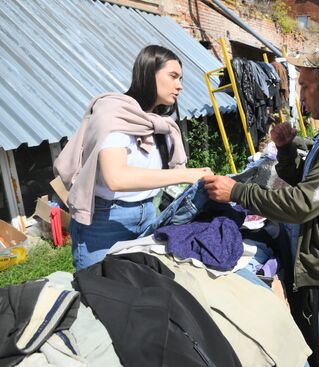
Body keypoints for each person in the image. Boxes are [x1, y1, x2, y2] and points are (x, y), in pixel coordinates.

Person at [203, 45, 319, 367]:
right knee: (310, 352)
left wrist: (237, 191)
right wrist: (287, 151)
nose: (299, 95)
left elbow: (306, 203)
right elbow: (314, 186)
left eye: (304, 86)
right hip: (317, 267)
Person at [54, 45, 212, 271]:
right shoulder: (114, 115)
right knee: (101, 291)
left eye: (181, 78)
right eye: (173, 76)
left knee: (140, 288)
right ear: (149, 73)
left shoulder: (157, 123)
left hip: (147, 213)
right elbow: (116, 178)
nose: (180, 85)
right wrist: (185, 175)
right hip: (105, 221)